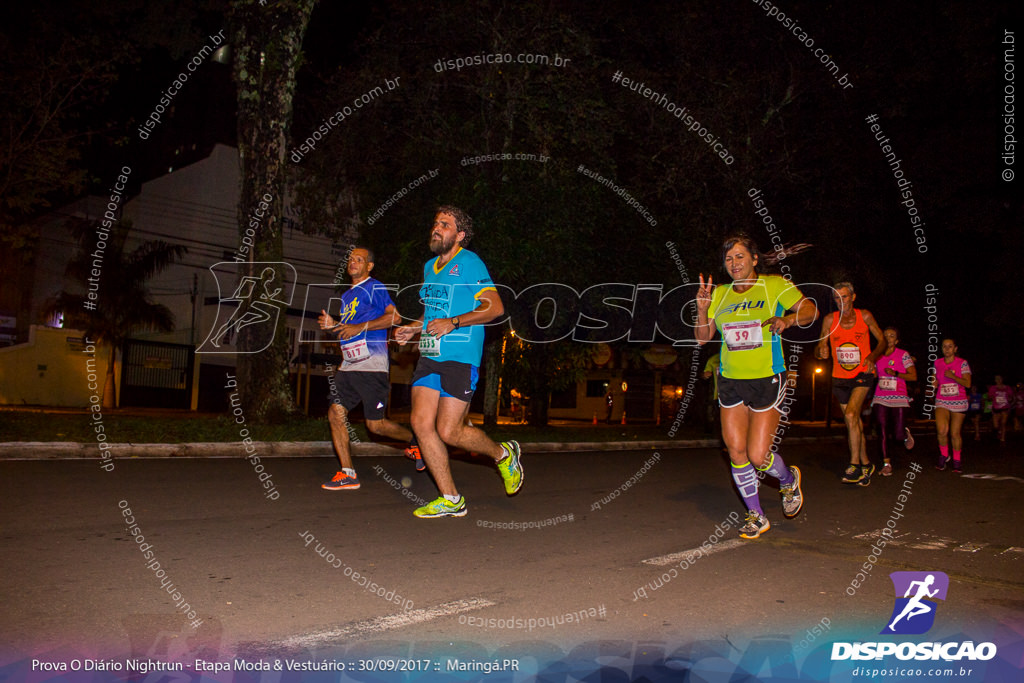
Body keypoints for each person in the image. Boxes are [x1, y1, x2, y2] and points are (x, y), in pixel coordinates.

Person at [394, 206, 523, 518]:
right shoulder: (429, 267)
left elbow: (494, 308)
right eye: (436, 222)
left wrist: (453, 322)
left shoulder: (469, 262)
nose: (437, 228)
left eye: (445, 224)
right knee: (421, 424)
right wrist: (413, 327)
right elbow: (432, 312)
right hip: (430, 354)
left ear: (460, 235)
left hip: (461, 356)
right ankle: (451, 498)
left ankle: (503, 454)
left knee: (450, 431)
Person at [696, 233, 817, 540]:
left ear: (753, 259)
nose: (733, 263)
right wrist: (701, 307)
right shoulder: (720, 294)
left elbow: (810, 310)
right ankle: (756, 515)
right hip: (731, 381)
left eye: (739, 256)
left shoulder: (774, 285)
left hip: (767, 378)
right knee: (736, 451)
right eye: (728, 258)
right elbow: (701, 336)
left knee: (758, 455)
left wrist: (787, 321)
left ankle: (788, 480)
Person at [317, 247, 421, 490]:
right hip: (349, 366)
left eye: (359, 260)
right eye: (351, 259)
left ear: (369, 266)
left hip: (372, 367)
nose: (352, 263)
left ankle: (417, 440)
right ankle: (348, 473)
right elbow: (349, 328)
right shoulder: (346, 296)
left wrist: (359, 327)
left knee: (376, 425)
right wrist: (334, 325)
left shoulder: (374, 287)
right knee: (335, 414)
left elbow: (394, 318)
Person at [814, 282, 885, 486]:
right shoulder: (829, 320)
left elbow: (882, 341)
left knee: (852, 415)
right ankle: (866, 464)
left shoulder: (865, 316)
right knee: (852, 423)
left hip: (862, 374)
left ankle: (854, 465)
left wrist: (872, 357)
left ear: (853, 297)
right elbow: (819, 348)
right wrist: (821, 350)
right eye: (836, 298)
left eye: (844, 297)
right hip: (839, 378)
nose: (840, 301)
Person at [870, 327, 916, 476]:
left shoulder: (903, 355)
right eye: (886, 336)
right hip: (881, 396)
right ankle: (886, 463)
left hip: (899, 397)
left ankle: (904, 433)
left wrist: (896, 373)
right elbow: (872, 373)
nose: (888, 338)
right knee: (882, 430)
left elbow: (913, 376)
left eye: (892, 336)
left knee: (897, 435)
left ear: (896, 341)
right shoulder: (876, 355)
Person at [933, 338, 971, 473]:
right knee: (942, 430)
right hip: (942, 399)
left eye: (950, 346)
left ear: (955, 349)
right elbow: (935, 378)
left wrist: (953, 377)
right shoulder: (937, 363)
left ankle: (957, 460)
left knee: (955, 433)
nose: (947, 349)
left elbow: (967, 384)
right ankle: (943, 455)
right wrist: (935, 383)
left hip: (958, 400)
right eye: (944, 346)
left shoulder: (962, 363)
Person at [988, 374, 1013, 443]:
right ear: (995, 380)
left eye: (999, 378)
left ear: (1002, 379)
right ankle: (999, 431)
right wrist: (992, 397)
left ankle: (1003, 438)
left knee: (1003, 423)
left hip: (1005, 407)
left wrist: (1010, 399)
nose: (998, 380)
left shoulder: (1007, 387)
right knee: (996, 425)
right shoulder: (993, 388)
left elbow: (1011, 397)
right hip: (996, 408)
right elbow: (989, 397)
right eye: (996, 379)